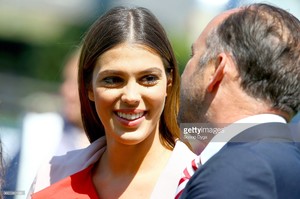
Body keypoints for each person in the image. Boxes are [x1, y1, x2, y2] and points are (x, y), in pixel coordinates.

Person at [30, 6, 196, 199]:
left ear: (169, 82)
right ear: (88, 87)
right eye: (113, 79)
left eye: (148, 78)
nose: (131, 96)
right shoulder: (51, 177)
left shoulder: (198, 184)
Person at [177, 3, 300, 199]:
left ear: (216, 70)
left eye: (194, 55)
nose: (181, 75)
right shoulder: (285, 160)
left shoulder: (234, 172)